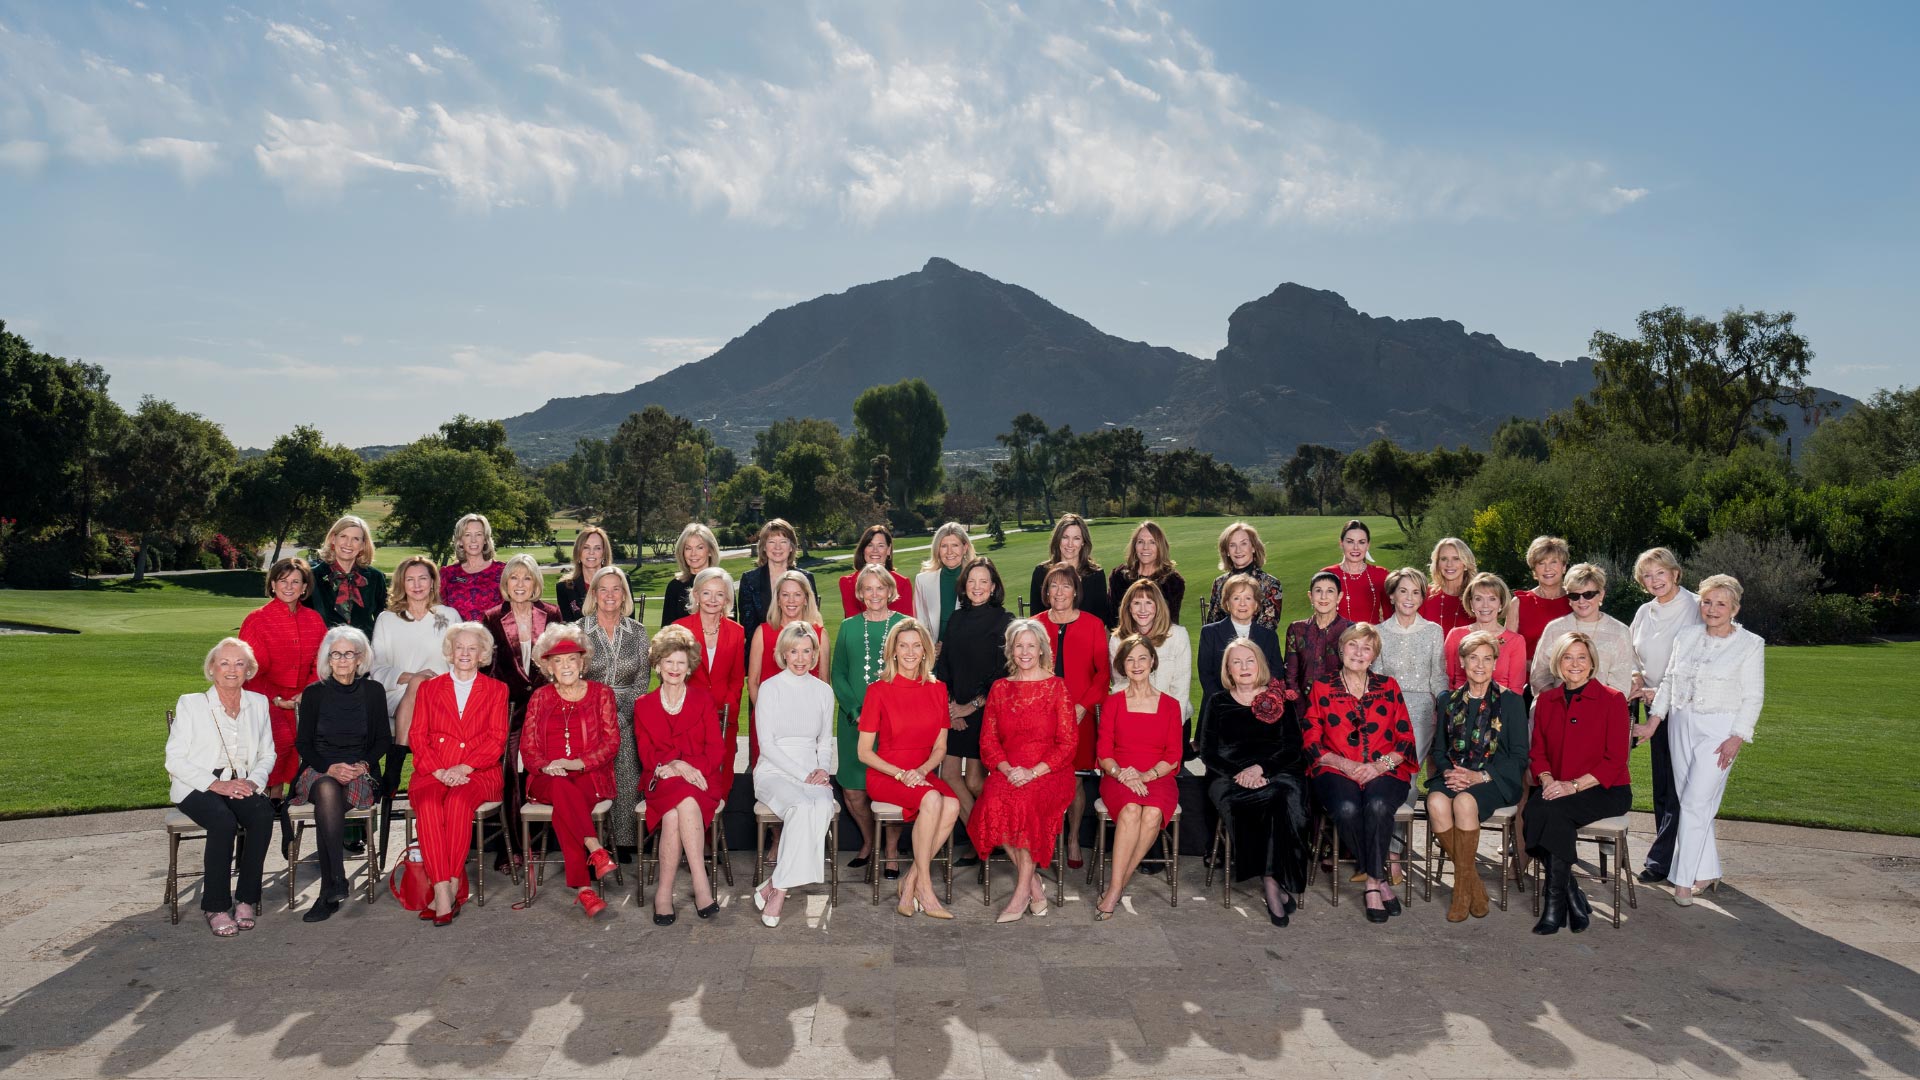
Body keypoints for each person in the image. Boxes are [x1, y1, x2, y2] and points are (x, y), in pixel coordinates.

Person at [1649, 575, 1764, 906]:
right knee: (1690, 799)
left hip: (1719, 730)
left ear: (1735, 608)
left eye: (1721, 603)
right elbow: (1669, 681)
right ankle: (1708, 869)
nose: (1712, 609)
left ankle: (1683, 881)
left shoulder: (1750, 644)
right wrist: (1655, 721)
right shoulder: (1686, 636)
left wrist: (1737, 737)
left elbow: (1754, 696)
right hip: (1680, 724)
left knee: (1696, 803)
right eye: (1707, 602)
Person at [1302, 624, 1417, 924]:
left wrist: (1378, 766)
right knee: (1347, 807)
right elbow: (1311, 740)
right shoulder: (1322, 687)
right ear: (1342, 649)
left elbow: (1404, 738)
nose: (1359, 653)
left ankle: (1371, 883)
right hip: (1336, 768)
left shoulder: (1388, 686)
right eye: (1353, 645)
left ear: (1374, 655)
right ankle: (1379, 880)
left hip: (1385, 770)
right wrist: (1345, 765)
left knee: (1378, 805)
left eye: (1366, 648)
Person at [969, 618, 1078, 923]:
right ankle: (1034, 886)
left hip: (1050, 772)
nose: (1025, 651)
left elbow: (1068, 743)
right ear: (1011, 650)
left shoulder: (1057, 688)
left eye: (1031, 645)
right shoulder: (1000, 689)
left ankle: (1019, 894)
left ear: (1042, 649)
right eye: (1019, 646)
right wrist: (1007, 769)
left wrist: (1033, 772)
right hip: (1009, 770)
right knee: (992, 802)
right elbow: (988, 742)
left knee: (1025, 805)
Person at [1525, 631, 1632, 935]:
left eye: (1581, 657)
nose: (1575, 664)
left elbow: (1615, 759)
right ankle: (1572, 894)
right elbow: (1538, 751)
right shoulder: (1546, 700)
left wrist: (1572, 786)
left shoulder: (1612, 699)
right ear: (1558, 662)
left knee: (1552, 814)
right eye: (1568, 657)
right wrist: (1546, 780)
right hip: (1556, 787)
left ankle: (1553, 903)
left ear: (1591, 662)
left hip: (1605, 790)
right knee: (1533, 813)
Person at [167, 638, 277, 937]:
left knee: (263, 815)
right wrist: (217, 785)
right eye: (225, 663)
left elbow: (268, 753)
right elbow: (174, 760)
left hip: (241, 780)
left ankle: (246, 898)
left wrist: (254, 781)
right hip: (198, 783)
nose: (232, 669)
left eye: (240, 663)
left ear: (249, 670)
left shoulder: (258, 703)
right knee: (223, 821)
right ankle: (215, 905)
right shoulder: (191, 703)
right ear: (212, 669)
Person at [857, 618, 962, 919]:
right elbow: (863, 752)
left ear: (926, 650)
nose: (910, 652)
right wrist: (902, 774)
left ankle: (910, 880)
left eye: (917, 645)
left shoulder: (938, 689)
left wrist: (922, 770)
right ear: (893, 651)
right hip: (887, 773)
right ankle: (925, 888)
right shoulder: (878, 690)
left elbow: (940, 748)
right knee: (932, 799)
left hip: (922, 771)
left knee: (952, 804)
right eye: (903, 645)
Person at [1203, 638, 1311, 927]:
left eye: (1249, 660)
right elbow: (1207, 751)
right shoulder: (1217, 701)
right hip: (1229, 775)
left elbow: (1292, 747)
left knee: (1283, 798)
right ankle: (1271, 882)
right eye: (1236, 662)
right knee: (1249, 803)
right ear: (1228, 669)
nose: (1244, 667)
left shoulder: (1279, 699)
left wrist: (1261, 769)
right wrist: (1242, 774)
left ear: (1260, 664)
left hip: (1278, 770)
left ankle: (1273, 880)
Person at [409, 622, 510, 925]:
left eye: (472, 648)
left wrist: (463, 767)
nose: (465, 653)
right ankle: (443, 889)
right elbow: (417, 736)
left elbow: (497, 739)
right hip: (433, 769)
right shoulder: (429, 688)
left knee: (456, 804)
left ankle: (452, 884)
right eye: (459, 647)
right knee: (427, 805)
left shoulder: (496, 689)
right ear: (450, 653)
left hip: (479, 771)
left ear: (482, 654)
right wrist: (440, 771)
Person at [1427, 631, 1530, 922]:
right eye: (1473, 658)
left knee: (1463, 803)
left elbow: (1520, 756)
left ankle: (1460, 894)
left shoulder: (1510, 702)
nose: (1480, 665)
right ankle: (1472, 884)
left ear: (1495, 663)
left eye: (1487, 658)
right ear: (1462, 661)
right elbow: (1439, 750)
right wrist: (1452, 773)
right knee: (1435, 802)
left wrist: (1478, 777)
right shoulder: (1448, 699)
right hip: (1455, 773)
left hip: (1494, 779)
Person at [290, 626, 389, 922]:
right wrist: (328, 767)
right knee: (326, 789)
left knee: (327, 798)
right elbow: (303, 743)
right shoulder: (314, 694)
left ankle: (330, 889)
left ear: (360, 658)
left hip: (360, 771)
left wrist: (364, 765)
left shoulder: (373, 692)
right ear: (328, 658)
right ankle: (334, 882)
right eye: (336, 654)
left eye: (349, 654)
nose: (343, 659)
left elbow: (382, 739)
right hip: (320, 768)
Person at [521, 625, 621, 918]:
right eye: (558, 661)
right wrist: (547, 766)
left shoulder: (601, 694)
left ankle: (584, 891)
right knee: (563, 790)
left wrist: (578, 764)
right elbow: (528, 747)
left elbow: (611, 742)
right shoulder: (539, 697)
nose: (565, 666)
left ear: (582, 661)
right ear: (548, 666)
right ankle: (594, 847)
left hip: (590, 775)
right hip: (546, 778)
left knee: (566, 806)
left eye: (571, 659)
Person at [635, 626, 727, 924]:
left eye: (681, 663)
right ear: (658, 665)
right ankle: (701, 885)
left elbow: (716, 751)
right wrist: (677, 766)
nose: (674, 668)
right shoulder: (643, 705)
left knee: (679, 810)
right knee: (678, 804)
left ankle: (664, 892)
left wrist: (686, 766)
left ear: (689, 668)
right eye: (668, 662)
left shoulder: (702, 700)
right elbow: (648, 756)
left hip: (702, 777)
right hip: (660, 779)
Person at [370, 555, 458, 862]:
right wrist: (415, 678)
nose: (417, 585)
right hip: (396, 696)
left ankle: (395, 766)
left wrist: (431, 683)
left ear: (433, 582)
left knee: (424, 687)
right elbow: (376, 668)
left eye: (423, 578)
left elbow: (461, 661)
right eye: (410, 579)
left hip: (443, 699)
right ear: (401, 584)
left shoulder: (448, 615)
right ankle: (405, 763)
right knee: (417, 686)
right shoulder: (387, 619)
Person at [238, 557, 327, 859]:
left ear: (304, 587)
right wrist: (277, 697)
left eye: (296, 582)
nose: (289, 587)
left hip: (306, 701)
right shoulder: (257, 619)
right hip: (265, 700)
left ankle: (289, 817)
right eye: (283, 581)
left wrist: (307, 692)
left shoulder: (314, 620)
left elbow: (322, 663)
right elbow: (249, 670)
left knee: (311, 751)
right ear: (273, 584)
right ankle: (267, 813)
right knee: (275, 747)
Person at [751, 624, 839, 927]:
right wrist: (805, 774)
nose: (800, 658)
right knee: (802, 808)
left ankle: (776, 884)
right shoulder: (771, 688)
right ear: (783, 654)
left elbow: (824, 741)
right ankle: (778, 892)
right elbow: (767, 745)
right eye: (794, 651)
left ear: (814, 654)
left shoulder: (824, 691)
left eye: (806, 651)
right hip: (774, 770)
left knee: (823, 806)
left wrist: (822, 770)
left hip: (813, 770)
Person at [1094, 634, 1186, 920]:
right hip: (1119, 775)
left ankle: (1117, 885)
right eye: (1129, 659)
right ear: (1122, 666)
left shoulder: (1170, 705)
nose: (1136, 665)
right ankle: (1114, 887)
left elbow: (1173, 755)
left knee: (1153, 813)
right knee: (1132, 810)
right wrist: (1122, 774)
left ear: (1152, 662)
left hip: (1157, 774)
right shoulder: (1113, 702)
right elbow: (1103, 751)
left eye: (1142, 658)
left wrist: (1146, 775)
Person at [1627, 546, 1703, 885]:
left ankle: (1664, 861)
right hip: (1651, 702)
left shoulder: (1695, 606)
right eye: (1647, 575)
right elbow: (1632, 653)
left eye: (1660, 572)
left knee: (1678, 786)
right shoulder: (1645, 611)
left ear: (1675, 573)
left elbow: (1700, 660)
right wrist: (1637, 677)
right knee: (1661, 784)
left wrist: (1663, 691)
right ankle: (1670, 856)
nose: (1654, 580)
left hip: (1684, 705)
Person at [482, 553, 561, 872]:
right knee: (511, 778)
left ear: (536, 583)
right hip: (509, 710)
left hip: (546, 708)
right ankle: (512, 847)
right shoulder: (490, 617)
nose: (520, 584)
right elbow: (487, 669)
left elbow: (560, 662)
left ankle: (541, 843)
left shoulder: (552, 614)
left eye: (526, 578)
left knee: (542, 773)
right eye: (513, 577)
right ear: (505, 583)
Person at [932, 557, 1014, 866]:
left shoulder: (1004, 620)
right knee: (951, 776)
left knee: (976, 782)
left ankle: (987, 839)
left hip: (986, 710)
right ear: (964, 587)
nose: (977, 587)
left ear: (993, 587)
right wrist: (952, 709)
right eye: (971, 582)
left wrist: (971, 707)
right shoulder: (955, 619)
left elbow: (1002, 673)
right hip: (954, 710)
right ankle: (983, 839)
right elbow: (945, 667)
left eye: (983, 582)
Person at [833, 564, 910, 872]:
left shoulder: (906, 625)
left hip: (894, 724)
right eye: (868, 588)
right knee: (853, 790)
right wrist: (855, 711)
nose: (875, 594)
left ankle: (890, 850)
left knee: (891, 787)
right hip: (854, 721)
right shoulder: (848, 626)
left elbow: (914, 671)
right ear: (860, 593)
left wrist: (890, 716)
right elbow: (837, 673)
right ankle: (869, 842)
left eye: (880, 588)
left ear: (890, 591)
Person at [1038, 563, 1112, 869]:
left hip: (1080, 714)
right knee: (1043, 778)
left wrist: (1082, 706)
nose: (1059, 592)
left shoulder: (1093, 625)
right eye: (1053, 586)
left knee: (1075, 780)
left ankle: (1071, 838)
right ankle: (1044, 837)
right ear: (1046, 592)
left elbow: (1102, 674)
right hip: (1042, 715)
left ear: (1075, 591)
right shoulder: (1035, 624)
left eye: (1066, 586)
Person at [579, 565, 650, 858]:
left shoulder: (638, 631)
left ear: (624, 595)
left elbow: (643, 679)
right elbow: (572, 676)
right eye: (603, 589)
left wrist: (621, 716)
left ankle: (623, 841)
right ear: (594, 594)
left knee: (626, 764)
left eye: (616, 589)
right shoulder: (578, 629)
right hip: (587, 713)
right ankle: (594, 840)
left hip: (627, 711)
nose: (610, 595)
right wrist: (600, 717)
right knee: (591, 772)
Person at [673, 566, 747, 794]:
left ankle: (719, 829)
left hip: (724, 719)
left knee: (720, 783)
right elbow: (673, 677)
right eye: (706, 593)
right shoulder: (680, 628)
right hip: (688, 720)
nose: (713, 599)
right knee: (691, 783)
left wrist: (729, 711)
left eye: (720, 594)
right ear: (696, 595)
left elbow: (736, 679)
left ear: (727, 599)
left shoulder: (737, 632)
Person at [1371, 568, 1447, 782]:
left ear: (1422, 598)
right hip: (1387, 711)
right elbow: (1376, 678)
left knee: (1409, 773)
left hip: (1423, 711)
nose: (1409, 598)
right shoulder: (1378, 632)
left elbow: (1438, 676)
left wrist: (1442, 706)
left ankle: (1405, 812)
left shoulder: (1433, 631)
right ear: (1392, 595)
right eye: (1403, 591)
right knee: (1386, 771)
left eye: (1416, 592)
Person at [746, 569, 828, 769]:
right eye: (785, 594)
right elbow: (753, 682)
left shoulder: (819, 634)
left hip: (806, 729)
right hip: (769, 726)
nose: (791, 600)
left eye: (797, 594)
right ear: (778, 599)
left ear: (807, 599)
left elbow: (824, 683)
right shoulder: (762, 632)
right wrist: (768, 718)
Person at [1196, 574, 1283, 751]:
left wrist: (1256, 702)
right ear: (1227, 603)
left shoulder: (1268, 636)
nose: (1242, 604)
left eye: (1248, 598)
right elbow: (1206, 675)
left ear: (1257, 604)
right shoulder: (1210, 633)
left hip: (1258, 712)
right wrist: (1230, 704)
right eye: (1236, 598)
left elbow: (1276, 673)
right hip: (1219, 712)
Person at [1529, 563, 1634, 694]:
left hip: (1602, 708)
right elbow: (1539, 677)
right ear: (1569, 598)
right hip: (1556, 705)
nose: (1581, 601)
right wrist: (1557, 701)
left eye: (1588, 594)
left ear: (1601, 595)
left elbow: (1621, 684)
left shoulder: (1619, 632)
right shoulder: (1554, 629)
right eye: (1574, 595)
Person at [1109, 579, 1192, 728]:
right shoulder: (1117, 640)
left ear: (1158, 606)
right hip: (1133, 722)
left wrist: (1170, 727)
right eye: (1137, 603)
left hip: (1173, 721)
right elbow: (1120, 685)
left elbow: (1180, 688)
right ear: (1128, 607)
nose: (1142, 610)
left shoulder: (1178, 635)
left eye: (1149, 602)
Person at [737, 519, 814, 669]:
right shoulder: (750, 580)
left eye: (783, 541)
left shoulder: (806, 579)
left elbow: (810, 621)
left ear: (791, 547)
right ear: (764, 547)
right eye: (772, 542)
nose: (777, 547)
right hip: (763, 659)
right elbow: (748, 628)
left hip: (800, 660)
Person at [1282, 572, 1355, 721]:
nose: (1323, 597)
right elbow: (1290, 676)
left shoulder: (1352, 630)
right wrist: (1305, 711)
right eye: (1318, 591)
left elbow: (1356, 676)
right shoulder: (1297, 629)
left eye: (1330, 591)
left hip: (1342, 713)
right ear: (1310, 596)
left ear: (1339, 597)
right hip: (1303, 712)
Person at [308, 514, 387, 640]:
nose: (348, 543)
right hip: (324, 651)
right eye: (343, 536)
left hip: (365, 651)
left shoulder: (375, 578)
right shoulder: (311, 577)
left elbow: (384, 621)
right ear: (333, 539)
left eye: (356, 539)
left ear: (363, 545)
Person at [1444, 573, 1527, 691]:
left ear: (1501, 604)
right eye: (1478, 599)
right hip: (1459, 705)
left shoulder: (1515, 641)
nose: (1485, 605)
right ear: (1471, 603)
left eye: (1492, 599)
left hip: (1501, 705)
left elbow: (1516, 688)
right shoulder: (1455, 636)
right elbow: (1445, 680)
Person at [1028, 513, 1113, 627]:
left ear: (1083, 542)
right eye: (1065, 537)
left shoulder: (1095, 575)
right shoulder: (1041, 573)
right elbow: (1036, 620)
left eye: (1076, 538)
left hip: (1085, 640)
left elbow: (1100, 620)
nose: (1070, 544)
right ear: (1058, 539)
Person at [1201, 522, 1283, 628]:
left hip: (1256, 644)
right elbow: (1212, 625)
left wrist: (1240, 643)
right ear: (1227, 552)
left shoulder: (1271, 584)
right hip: (1223, 644)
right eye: (1232, 545)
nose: (1238, 550)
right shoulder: (1219, 583)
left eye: (1243, 543)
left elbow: (1267, 628)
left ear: (1253, 547)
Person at [1505, 536, 1572, 668]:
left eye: (1554, 562)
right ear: (1534, 570)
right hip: (1526, 680)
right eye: (1541, 563)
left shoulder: (1576, 601)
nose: (1547, 569)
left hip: (1570, 681)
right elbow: (1507, 650)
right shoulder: (1519, 603)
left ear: (1564, 567)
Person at [1108, 520, 1185, 623]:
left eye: (1152, 542)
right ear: (1134, 546)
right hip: (1124, 637)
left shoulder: (1173, 582)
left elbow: (1171, 622)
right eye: (1140, 542)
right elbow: (1112, 620)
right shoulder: (1119, 576)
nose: (1145, 547)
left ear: (1160, 547)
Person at [912, 521, 975, 644]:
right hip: (933, 656)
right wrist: (932, 650)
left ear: (965, 547)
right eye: (944, 546)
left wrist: (948, 648)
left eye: (955, 545)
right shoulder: (923, 581)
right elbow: (920, 625)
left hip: (967, 652)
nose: (949, 552)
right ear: (937, 550)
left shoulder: (976, 581)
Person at [838, 523, 914, 619]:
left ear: (888, 550)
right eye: (870, 545)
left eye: (880, 546)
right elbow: (854, 622)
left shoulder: (902, 583)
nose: (875, 550)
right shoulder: (847, 583)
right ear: (863, 550)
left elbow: (905, 624)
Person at [1323, 519, 1391, 625]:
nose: (1356, 547)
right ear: (1341, 543)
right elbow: (1322, 618)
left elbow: (1390, 616)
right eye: (1350, 542)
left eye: (1361, 542)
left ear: (1368, 545)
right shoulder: (1328, 575)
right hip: (1337, 640)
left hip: (1372, 639)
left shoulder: (1381, 575)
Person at [441, 513, 505, 622]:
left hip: (493, 637)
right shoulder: (447, 574)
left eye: (478, 534)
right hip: (457, 637)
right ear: (460, 541)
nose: (473, 540)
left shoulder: (502, 571)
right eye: (467, 535)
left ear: (485, 539)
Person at [661, 522, 721, 626]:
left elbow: (731, 628)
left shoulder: (722, 584)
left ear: (710, 551)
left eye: (700, 547)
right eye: (688, 548)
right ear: (682, 553)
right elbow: (666, 631)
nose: (693, 553)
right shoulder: (674, 587)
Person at [554, 525, 615, 623]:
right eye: (586, 547)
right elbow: (568, 628)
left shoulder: (621, 581)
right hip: (579, 638)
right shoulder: (564, 588)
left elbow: (630, 624)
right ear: (578, 552)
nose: (591, 552)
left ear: (604, 553)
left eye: (597, 548)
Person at [1420, 537, 1476, 634]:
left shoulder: (1476, 598)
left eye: (1456, 558)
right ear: (1437, 564)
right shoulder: (1423, 594)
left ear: (1466, 564)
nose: (1449, 564)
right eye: (1444, 559)